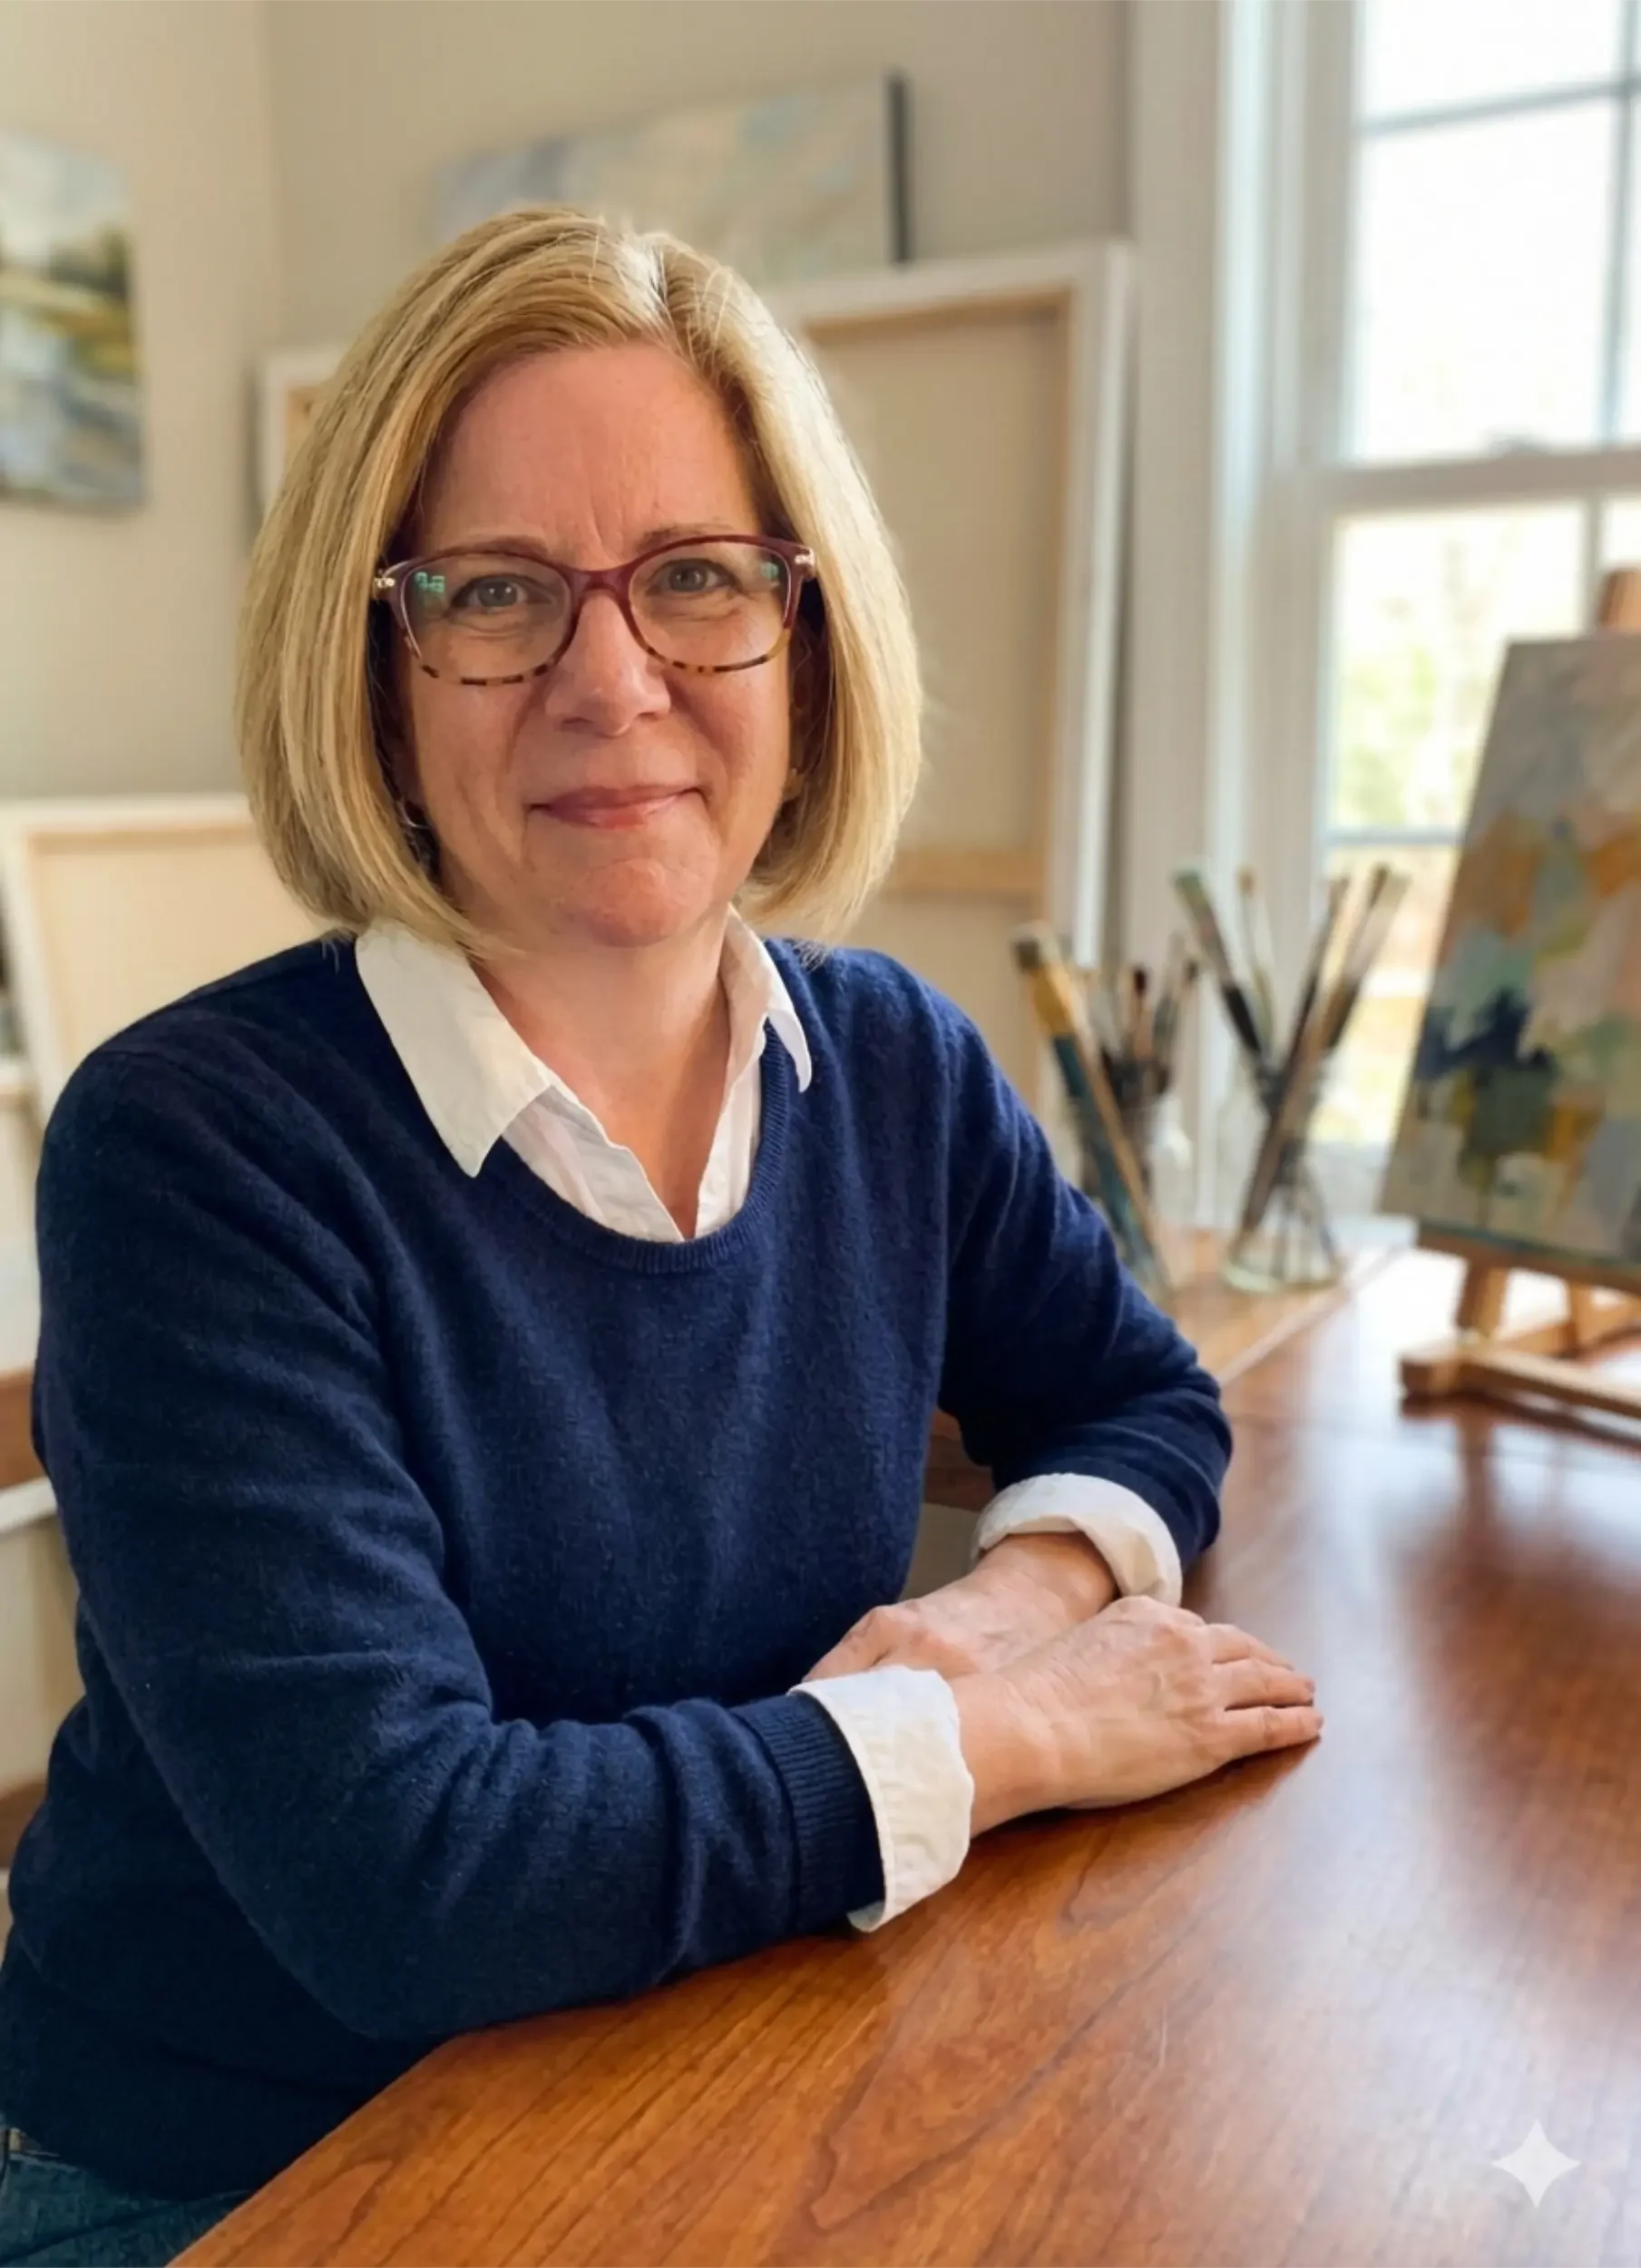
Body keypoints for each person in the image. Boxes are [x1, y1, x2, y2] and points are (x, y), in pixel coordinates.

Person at [0, 206, 1321, 2266]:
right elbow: (409, 1878)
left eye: (697, 576)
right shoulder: (194, 1149)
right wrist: (1009, 1731)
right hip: (241, 2163)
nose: (611, 683)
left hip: (719, 2026)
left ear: (803, 633)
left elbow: (1139, 1396)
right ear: (377, 664)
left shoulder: (894, 1062)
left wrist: (998, 1608)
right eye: (497, 594)